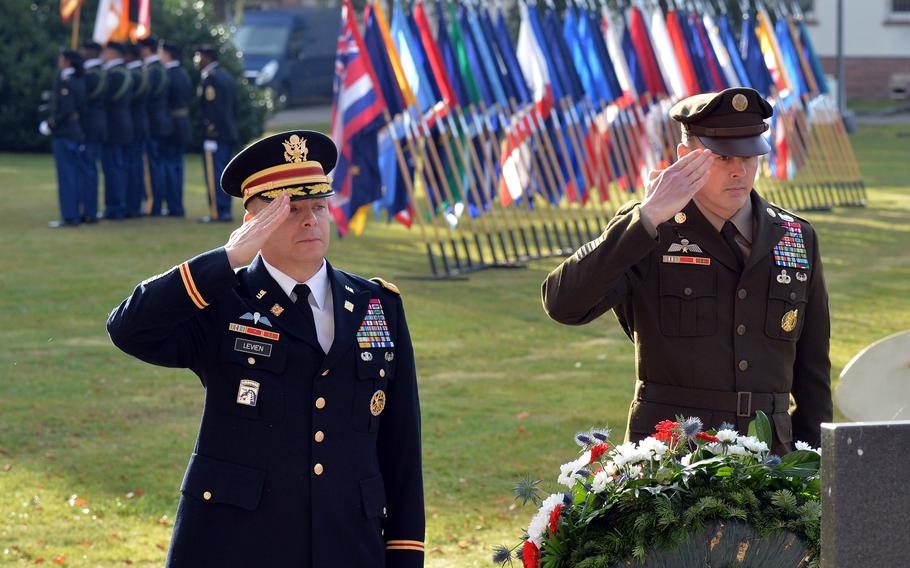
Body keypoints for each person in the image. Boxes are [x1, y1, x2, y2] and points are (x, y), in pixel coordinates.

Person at [107, 130, 425, 566]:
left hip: (349, 542)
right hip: (241, 543)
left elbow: (401, 446)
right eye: (290, 211)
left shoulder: (376, 305)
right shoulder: (223, 300)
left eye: (318, 206)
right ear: (253, 224)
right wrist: (226, 258)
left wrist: (405, 555)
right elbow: (130, 328)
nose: (310, 220)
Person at [541, 87, 831, 455]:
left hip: (770, 458)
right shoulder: (650, 230)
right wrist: (645, 217)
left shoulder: (795, 237)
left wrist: (816, 468)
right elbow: (563, 303)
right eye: (723, 157)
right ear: (685, 156)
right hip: (674, 458)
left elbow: (813, 373)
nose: (739, 171)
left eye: (750, 155)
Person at [42, 49, 86, 228]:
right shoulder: (78, 80)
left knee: (67, 176)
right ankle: (74, 213)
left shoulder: (67, 82)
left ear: (67, 62)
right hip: (75, 131)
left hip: (66, 132)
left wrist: (51, 125)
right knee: (73, 175)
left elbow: (65, 110)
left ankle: (70, 215)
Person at [194, 45, 237, 223]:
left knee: (215, 175)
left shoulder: (211, 79)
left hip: (215, 135)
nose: (197, 60)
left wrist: (210, 133)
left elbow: (213, 111)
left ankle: (218, 212)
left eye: (199, 56)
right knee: (224, 173)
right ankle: (224, 210)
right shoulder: (225, 76)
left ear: (207, 57)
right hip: (227, 133)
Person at [139, 36, 172, 216]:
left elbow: (147, 96)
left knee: (152, 167)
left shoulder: (152, 70)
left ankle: (154, 205)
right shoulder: (161, 69)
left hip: (152, 123)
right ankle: (160, 202)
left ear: (146, 49)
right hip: (161, 122)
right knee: (159, 165)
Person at [100, 41, 133, 220]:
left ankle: (115, 207)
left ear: (112, 53)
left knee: (114, 169)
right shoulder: (126, 72)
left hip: (113, 127)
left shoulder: (114, 74)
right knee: (119, 168)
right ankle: (119, 206)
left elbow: (105, 99)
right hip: (124, 125)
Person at [159, 41, 192, 217]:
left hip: (171, 124)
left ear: (167, 54)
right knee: (177, 166)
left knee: (170, 167)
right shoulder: (183, 73)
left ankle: (174, 205)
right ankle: (176, 204)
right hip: (183, 123)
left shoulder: (168, 75)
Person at [79, 41, 106, 224]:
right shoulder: (102, 73)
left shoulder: (90, 75)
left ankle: (89, 210)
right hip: (99, 124)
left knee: (87, 170)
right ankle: (91, 209)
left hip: (89, 126)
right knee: (91, 169)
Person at [125, 43, 150, 217]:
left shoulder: (133, 75)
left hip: (131, 125)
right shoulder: (144, 72)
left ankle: (133, 205)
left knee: (132, 168)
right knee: (136, 167)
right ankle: (136, 204)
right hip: (141, 123)